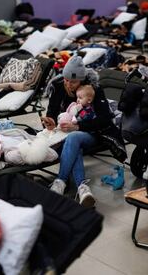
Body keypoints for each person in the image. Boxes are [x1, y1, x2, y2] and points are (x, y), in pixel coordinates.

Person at [41, 55, 127, 208]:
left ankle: (60, 182)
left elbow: (105, 119)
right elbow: (52, 113)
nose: (68, 84)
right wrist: (50, 122)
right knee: (74, 145)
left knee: (73, 138)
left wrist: (78, 127)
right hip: (64, 133)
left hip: (92, 133)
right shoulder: (59, 85)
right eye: (66, 80)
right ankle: (83, 188)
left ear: (82, 79)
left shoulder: (92, 89)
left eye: (73, 81)